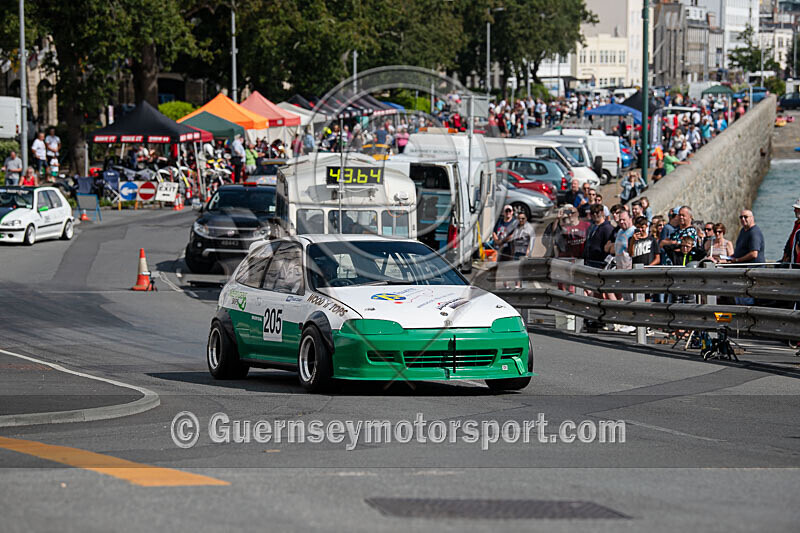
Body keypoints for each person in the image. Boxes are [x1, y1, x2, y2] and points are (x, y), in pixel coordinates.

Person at [583, 204, 615, 268]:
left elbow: (609, 247)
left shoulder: (607, 228)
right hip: (589, 261)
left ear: (602, 213)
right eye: (592, 213)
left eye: (597, 212)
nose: (595, 215)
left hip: (600, 263)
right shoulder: (591, 227)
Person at [781, 198, 800, 266]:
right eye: (795, 208)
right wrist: (786, 254)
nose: (794, 210)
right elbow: (791, 241)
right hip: (792, 259)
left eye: (797, 209)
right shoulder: (797, 224)